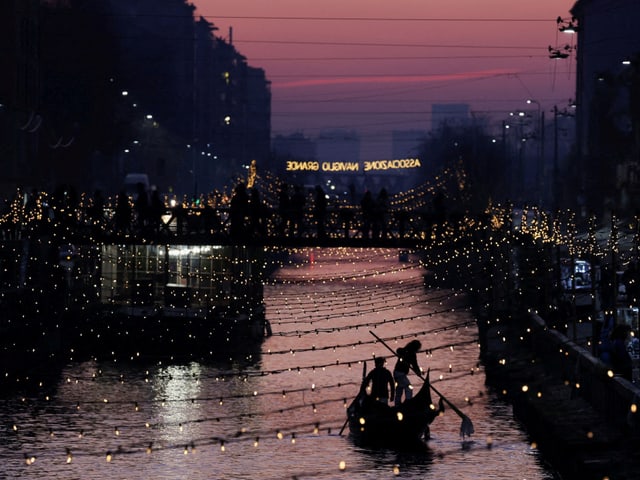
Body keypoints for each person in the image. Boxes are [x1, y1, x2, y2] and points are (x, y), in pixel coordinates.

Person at [393, 339, 422, 406]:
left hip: (397, 373)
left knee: (399, 389)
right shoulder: (406, 351)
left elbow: (415, 365)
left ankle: (397, 404)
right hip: (400, 373)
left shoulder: (410, 353)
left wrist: (418, 372)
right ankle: (408, 403)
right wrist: (417, 371)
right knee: (408, 388)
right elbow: (398, 350)